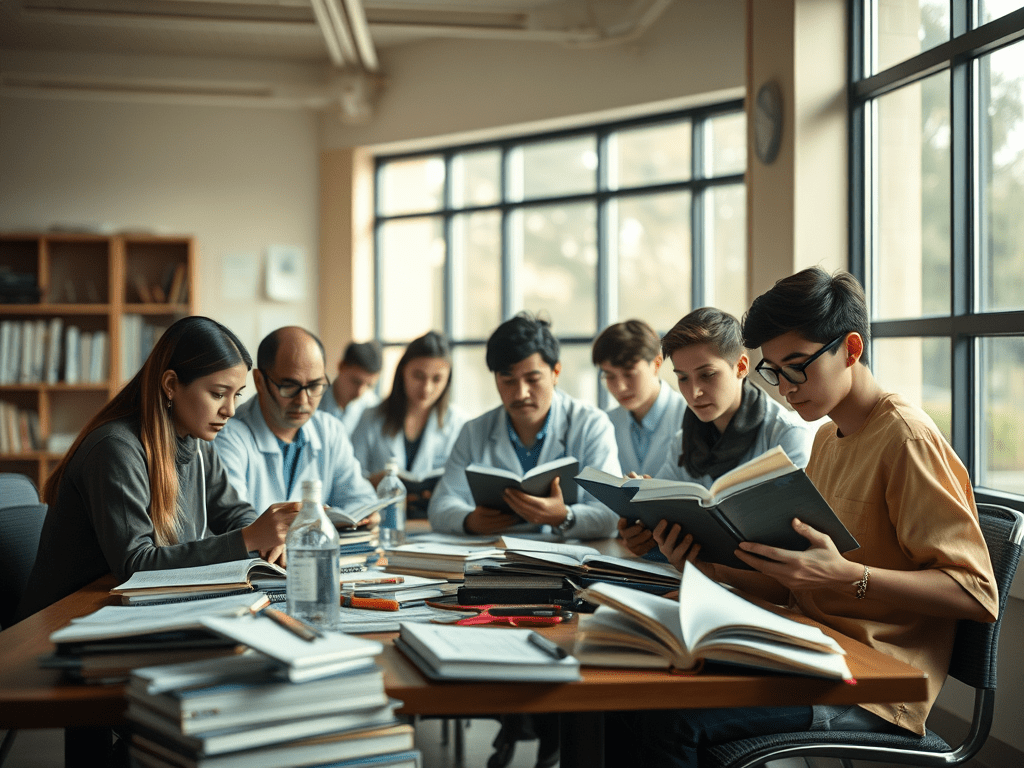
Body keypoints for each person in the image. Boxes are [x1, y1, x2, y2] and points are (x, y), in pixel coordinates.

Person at [606, 268, 1000, 767]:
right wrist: (696, 564)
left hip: (870, 683)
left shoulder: (906, 439)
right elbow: (797, 584)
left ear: (851, 349)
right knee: (628, 694)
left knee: (670, 721)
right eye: (773, 371)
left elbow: (976, 593)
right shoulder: (826, 439)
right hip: (806, 646)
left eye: (798, 366)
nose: (785, 388)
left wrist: (850, 576)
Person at [16, 316, 299, 620]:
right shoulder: (115, 448)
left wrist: (268, 539)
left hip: (132, 607)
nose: (230, 410)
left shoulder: (197, 440)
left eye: (236, 394)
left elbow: (231, 512)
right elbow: (136, 565)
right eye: (218, 394)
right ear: (171, 385)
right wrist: (249, 538)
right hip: (66, 618)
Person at [618, 307, 814, 558]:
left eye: (707, 375)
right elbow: (666, 523)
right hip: (699, 577)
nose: (694, 392)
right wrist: (644, 531)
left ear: (741, 366)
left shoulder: (787, 436)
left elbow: (796, 539)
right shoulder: (684, 441)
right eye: (683, 378)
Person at [428, 312, 621, 539]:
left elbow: (610, 514)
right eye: (508, 380)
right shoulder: (474, 431)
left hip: (568, 561)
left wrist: (564, 517)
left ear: (555, 372)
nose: (521, 393)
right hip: (495, 560)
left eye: (532, 379)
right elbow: (440, 505)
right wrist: (470, 520)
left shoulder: (591, 425)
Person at [214, 326, 378, 520]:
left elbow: (362, 501)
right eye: (289, 386)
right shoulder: (228, 437)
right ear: (259, 381)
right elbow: (237, 525)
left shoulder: (329, 430)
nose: (303, 400)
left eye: (315, 386)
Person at [351, 331, 467, 517]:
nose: (426, 388)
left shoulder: (458, 423)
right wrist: (372, 481)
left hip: (437, 523)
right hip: (381, 520)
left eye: (437, 379)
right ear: (403, 371)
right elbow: (347, 477)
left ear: (448, 380)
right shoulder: (371, 417)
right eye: (418, 376)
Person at [591, 319, 687, 477]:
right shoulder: (605, 424)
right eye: (609, 376)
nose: (620, 387)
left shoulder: (690, 416)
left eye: (630, 373)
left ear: (657, 363)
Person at [318, 339, 383, 435]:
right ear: (341, 366)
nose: (360, 392)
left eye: (369, 385)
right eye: (356, 382)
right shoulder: (314, 402)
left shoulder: (373, 410)